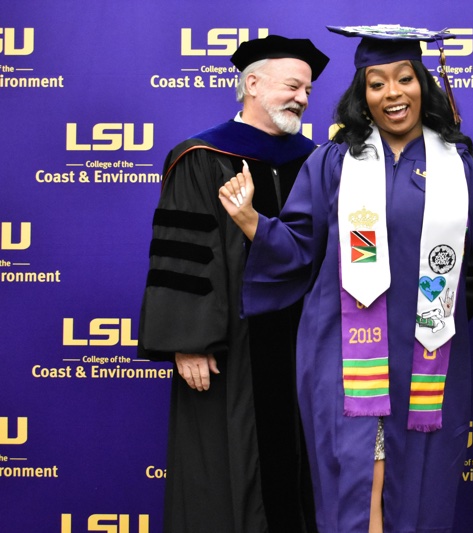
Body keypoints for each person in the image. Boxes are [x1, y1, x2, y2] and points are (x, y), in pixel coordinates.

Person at [217, 26, 473, 533]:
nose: (392, 93)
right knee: (354, 480)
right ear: (362, 95)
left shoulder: (464, 164)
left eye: (404, 78)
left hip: (427, 352)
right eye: (377, 82)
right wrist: (254, 223)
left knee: (421, 486)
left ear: (423, 85)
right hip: (342, 352)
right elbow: (300, 248)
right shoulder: (333, 162)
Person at [137, 35, 329, 533]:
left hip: (308, 345)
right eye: (292, 86)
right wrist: (189, 342)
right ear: (251, 84)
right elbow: (184, 254)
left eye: (307, 90)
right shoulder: (201, 158)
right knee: (228, 471)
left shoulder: (318, 161)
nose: (302, 99)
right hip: (234, 348)